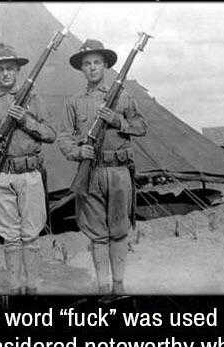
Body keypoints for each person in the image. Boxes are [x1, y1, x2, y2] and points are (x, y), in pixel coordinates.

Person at [58, 39, 147, 295]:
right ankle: (103, 288)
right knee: (97, 234)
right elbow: (64, 136)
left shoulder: (124, 96)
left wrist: (117, 120)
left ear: (106, 65)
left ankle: (119, 286)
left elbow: (142, 127)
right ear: (81, 69)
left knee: (119, 231)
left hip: (119, 172)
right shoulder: (73, 102)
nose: (92, 68)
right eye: (87, 64)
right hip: (91, 172)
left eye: (97, 62)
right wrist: (77, 151)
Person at [0, 43, 56, 295]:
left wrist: (25, 120)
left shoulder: (34, 100)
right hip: (1, 175)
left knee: (30, 235)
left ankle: (33, 287)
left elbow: (50, 134)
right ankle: (15, 288)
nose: (6, 73)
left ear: (18, 71)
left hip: (30, 173)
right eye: (0, 69)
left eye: (10, 69)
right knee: (10, 237)